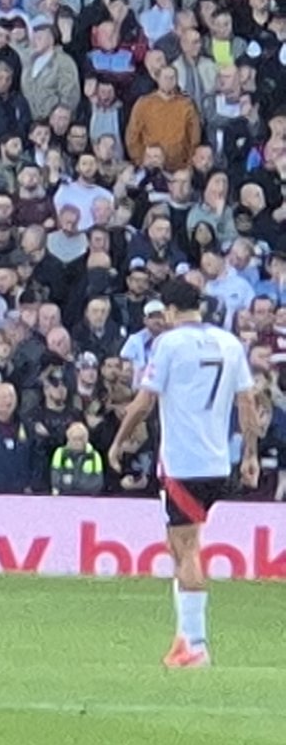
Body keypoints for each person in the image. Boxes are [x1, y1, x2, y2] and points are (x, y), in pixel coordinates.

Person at [110, 279, 262, 669]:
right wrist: (249, 454)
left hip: (183, 461)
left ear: (172, 311)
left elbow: (145, 400)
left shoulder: (170, 344)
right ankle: (184, 639)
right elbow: (247, 402)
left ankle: (195, 644)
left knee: (187, 548)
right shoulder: (229, 343)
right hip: (216, 459)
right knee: (178, 545)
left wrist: (118, 441)